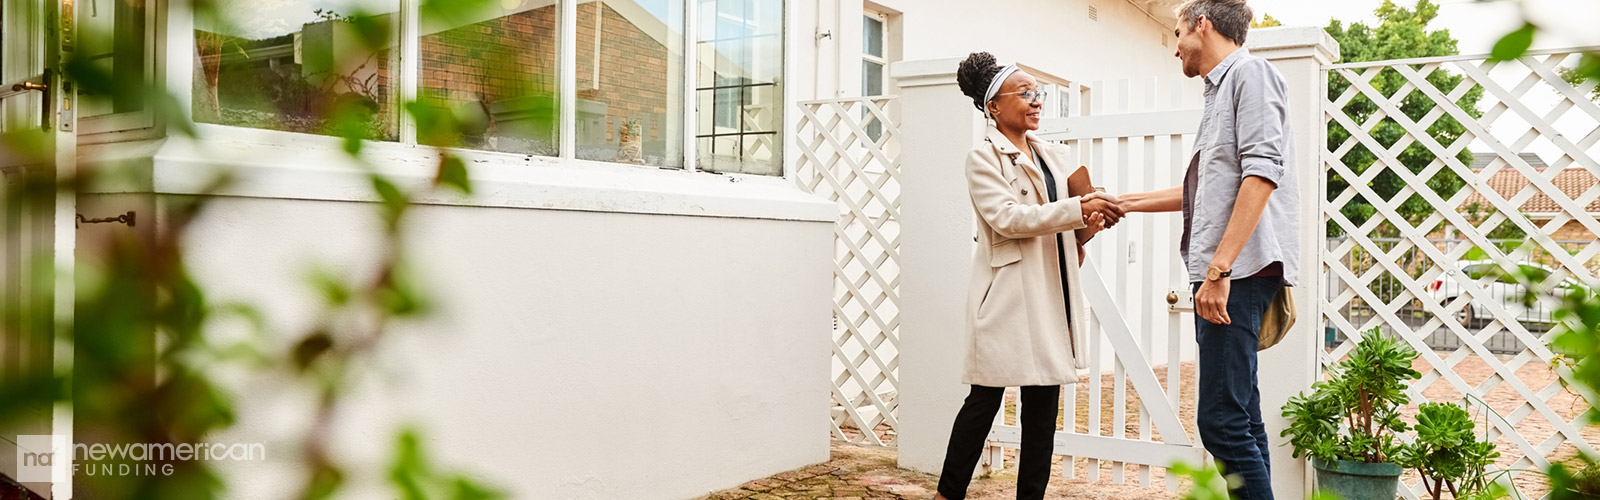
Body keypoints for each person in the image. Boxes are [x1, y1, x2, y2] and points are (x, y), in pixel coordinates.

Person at [1115, 1, 1300, 498]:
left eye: (1177, 32)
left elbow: (1263, 173)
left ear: (1203, 24)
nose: (1174, 46)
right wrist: (1124, 202)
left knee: (1220, 423)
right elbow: (1208, 190)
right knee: (1240, 416)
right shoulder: (1220, 92)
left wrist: (1219, 271)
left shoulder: (1250, 75)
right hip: (1230, 273)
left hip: (1236, 274)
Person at [932, 52, 1125, 500]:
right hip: (1007, 297)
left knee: (1042, 413)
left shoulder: (1052, 156)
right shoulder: (983, 159)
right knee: (983, 403)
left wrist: (1091, 222)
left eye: (1039, 94)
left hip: (1050, 294)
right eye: (1026, 93)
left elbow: (1063, 227)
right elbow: (1008, 219)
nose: (1037, 102)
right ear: (993, 107)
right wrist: (1079, 208)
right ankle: (947, 494)